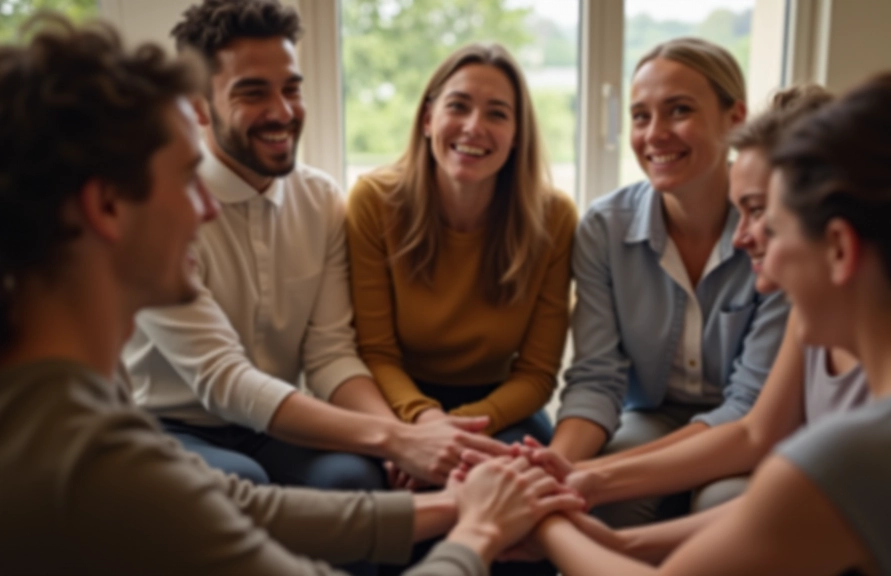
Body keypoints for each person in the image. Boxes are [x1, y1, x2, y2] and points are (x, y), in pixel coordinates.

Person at [0, 14, 584, 575]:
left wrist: (456, 505)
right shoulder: (84, 451)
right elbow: (225, 391)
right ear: (106, 206)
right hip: (191, 419)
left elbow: (254, 503)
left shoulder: (82, 402)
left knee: (341, 480)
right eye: (183, 178)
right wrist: (476, 528)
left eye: (292, 88)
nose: (206, 207)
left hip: (274, 431)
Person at [533, 73, 891, 575]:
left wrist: (539, 521)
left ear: (840, 248)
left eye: (773, 224)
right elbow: (761, 456)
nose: (746, 241)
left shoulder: (852, 461)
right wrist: (611, 525)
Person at [123, 0, 506, 490]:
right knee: (240, 482)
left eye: (291, 89)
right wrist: (393, 438)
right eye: (253, 93)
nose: (282, 112)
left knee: (354, 477)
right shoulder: (160, 208)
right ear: (198, 105)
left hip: (277, 424)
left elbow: (330, 354)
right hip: (172, 424)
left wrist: (400, 439)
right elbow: (222, 379)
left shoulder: (320, 199)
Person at [528, 85, 867, 522]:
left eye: (758, 211)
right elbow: (753, 433)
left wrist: (568, 492)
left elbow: (752, 429)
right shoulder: (810, 316)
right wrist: (575, 480)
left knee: (719, 501)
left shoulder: (884, 351)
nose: (740, 238)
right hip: (666, 419)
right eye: (639, 115)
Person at [549, 36, 789, 527]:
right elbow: (597, 379)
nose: (655, 134)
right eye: (641, 117)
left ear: (735, 117)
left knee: (725, 503)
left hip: (748, 424)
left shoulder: (775, 227)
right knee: (606, 504)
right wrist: (553, 467)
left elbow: (750, 407)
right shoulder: (604, 228)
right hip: (651, 416)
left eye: (679, 110)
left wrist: (602, 472)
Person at [346, 42, 576, 445]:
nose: (473, 126)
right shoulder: (374, 202)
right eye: (458, 106)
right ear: (427, 119)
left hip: (500, 407)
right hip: (393, 400)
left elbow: (537, 374)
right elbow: (375, 353)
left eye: (497, 114)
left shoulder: (553, 218)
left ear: (517, 134)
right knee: (354, 477)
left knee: (522, 474)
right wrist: (422, 424)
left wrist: (457, 430)